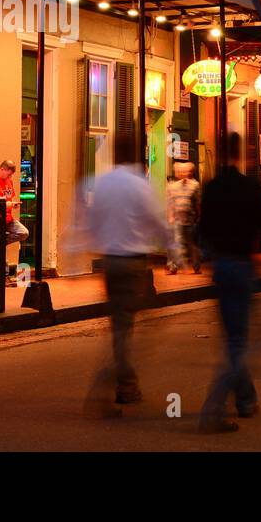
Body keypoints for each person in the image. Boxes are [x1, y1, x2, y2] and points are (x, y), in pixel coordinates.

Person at [69, 135, 169, 414]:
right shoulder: (140, 186)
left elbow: (88, 222)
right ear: (137, 155)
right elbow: (158, 221)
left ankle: (127, 382)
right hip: (133, 264)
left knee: (120, 325)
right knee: (129, 327)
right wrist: (176, 251)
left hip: (110, 262)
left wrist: (77, 255)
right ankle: (117, 381)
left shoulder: (101, 184)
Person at [196, 132, 261, 433]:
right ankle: (214, 405)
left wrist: (205, 255)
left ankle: (246, 399)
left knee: (233, 337)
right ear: (239, 154)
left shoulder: (211, 189)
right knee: (245, 341)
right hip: (240, 265)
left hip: (220, 266)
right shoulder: (250, 188)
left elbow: (202, 230)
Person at [0, 160, 27, 280]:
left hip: (8, 218)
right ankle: (4, 275)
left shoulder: (9, 181)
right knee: (0, 248)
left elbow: (9, 198)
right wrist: (5, 205)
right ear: (2, 169)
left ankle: (0, 242)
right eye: (9, 174)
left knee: (23, 233)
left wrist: (13, 204)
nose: (10, 176)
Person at [166, 161, 202, 275]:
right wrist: (170, 216)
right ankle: (174, 266)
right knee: (178, 241)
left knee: (192, 244)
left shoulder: (195, 185)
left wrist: (199, 215)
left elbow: (198, 202)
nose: (183, 173)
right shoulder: (172, 186)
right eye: (181, 171)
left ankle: (196, 265)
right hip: (177, 219)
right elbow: (170, 203)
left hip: (190, 219)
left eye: (186, 171)